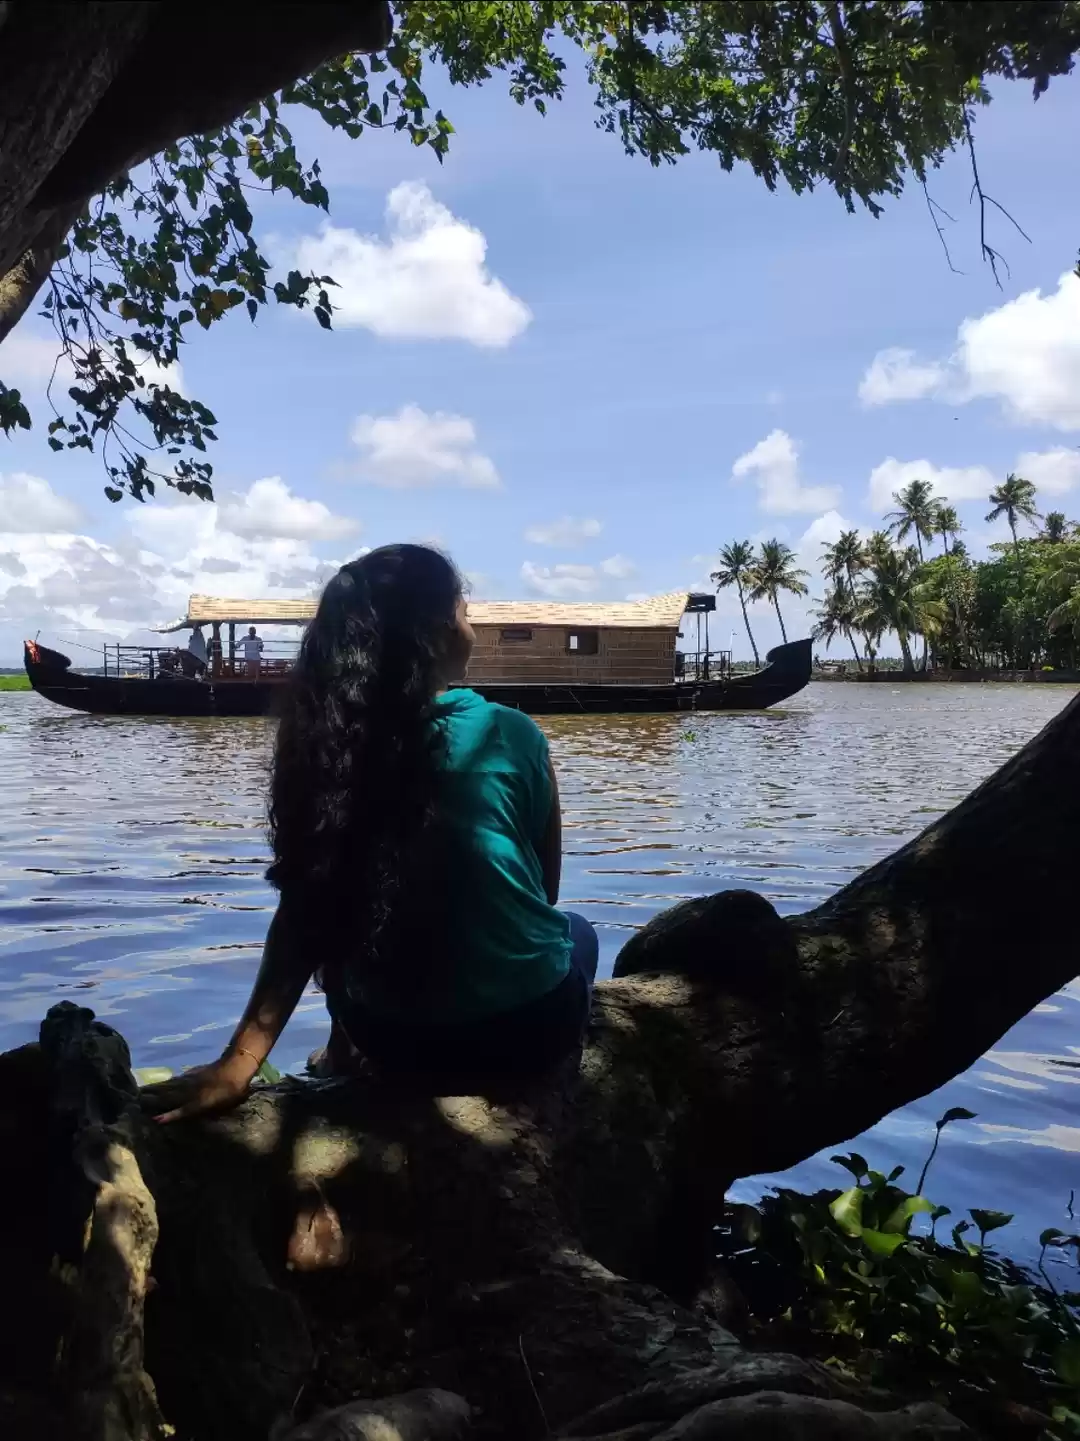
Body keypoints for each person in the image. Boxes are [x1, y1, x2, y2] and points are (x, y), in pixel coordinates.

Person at [150, 544, 599, 1122]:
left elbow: (304, 914)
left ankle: (340, 1050)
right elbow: (547, 894)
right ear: (437, 632)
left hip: (392, 1041)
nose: (472, 622)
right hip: (525, 1034)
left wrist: (238, 1064)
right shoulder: (511, 733)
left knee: (357, 902)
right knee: (578, 931)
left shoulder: (328, 742)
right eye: (464, 609)